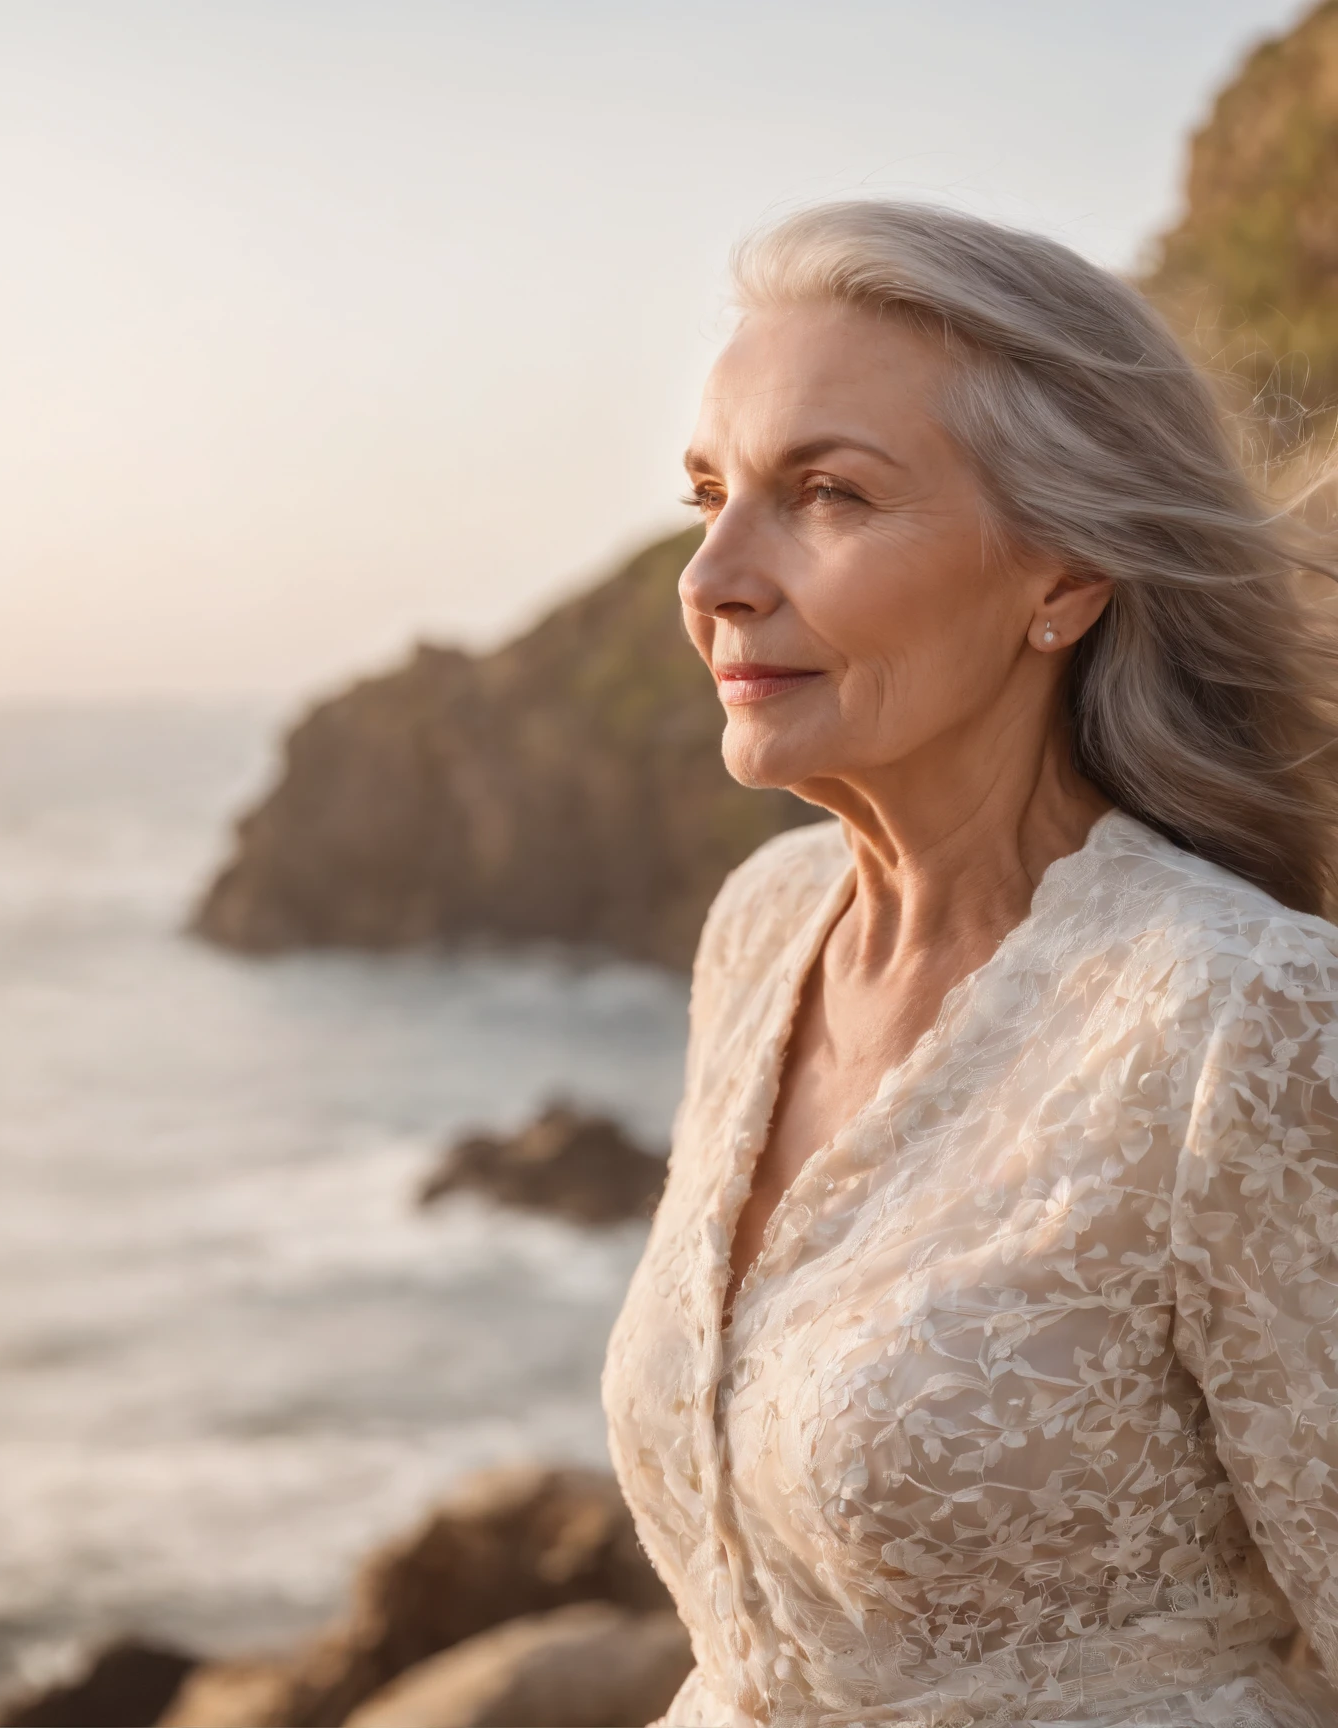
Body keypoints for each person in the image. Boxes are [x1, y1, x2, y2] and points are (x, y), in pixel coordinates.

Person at [601, 201, 1338, 1728]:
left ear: (1060, 578)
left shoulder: (1244, 1021)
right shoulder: (762, 926)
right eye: (707, 496)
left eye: (826, 494)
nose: (716, 577)